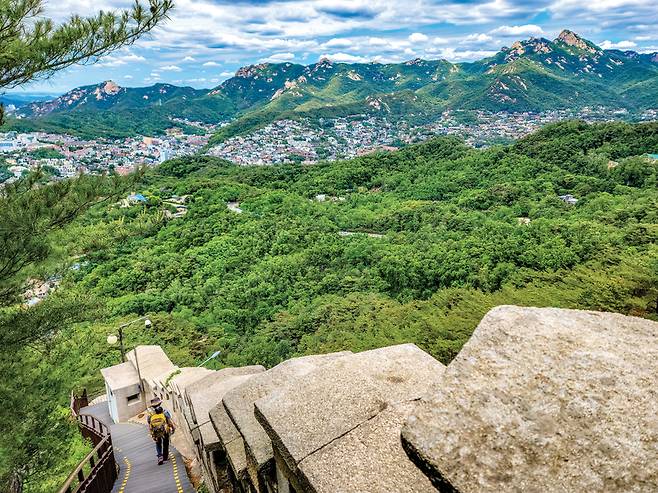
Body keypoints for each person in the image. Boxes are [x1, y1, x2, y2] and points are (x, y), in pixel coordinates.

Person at [147, 397, 176, 465]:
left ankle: (160, 456)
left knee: (158, 443)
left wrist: (152, 433)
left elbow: (149, 422)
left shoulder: (150, 414)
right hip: (164, 430)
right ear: (160, 403)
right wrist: (173, 427)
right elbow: (169, 421)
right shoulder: (164, 411)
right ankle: (165, 457)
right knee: (165, 442)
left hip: (155, 431)